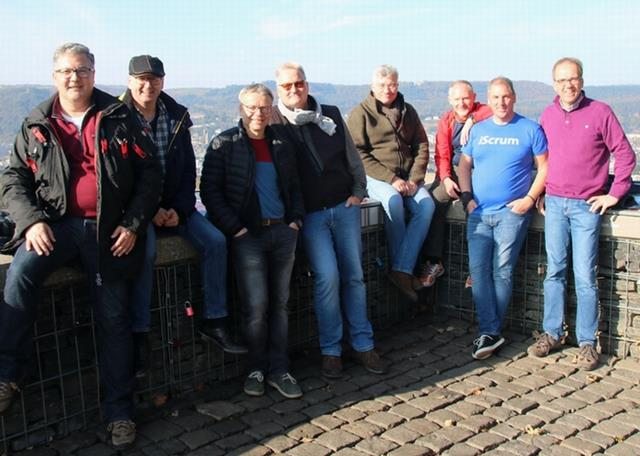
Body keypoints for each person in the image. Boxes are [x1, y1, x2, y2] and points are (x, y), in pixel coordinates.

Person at [0, 43, 161, 449]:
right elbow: (13, 179)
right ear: (55, 76)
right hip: (55, 227)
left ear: (94, 73)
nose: (75, 77)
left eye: (83, 70)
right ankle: (8, 375)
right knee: (19, 275)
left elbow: (150, 174)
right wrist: (31, 221)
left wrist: (133, 224)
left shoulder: (119, 116)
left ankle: (119, 412)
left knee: (113, 318)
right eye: (67, 71)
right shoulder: (37, 121)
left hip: (108, 232)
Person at [122, 55, 246, 376]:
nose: (148, 85)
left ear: (162, 81)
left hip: (176, 206)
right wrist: (147, 213)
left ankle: (215, 320)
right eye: (141, 79)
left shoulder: (176, 116)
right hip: (138, 211)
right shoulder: (117, 119)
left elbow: (188, 169)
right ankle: (139, 334)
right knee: (145, 251)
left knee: (215, 242)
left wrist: (178, 209)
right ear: (130, 81)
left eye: (154, 79)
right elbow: (118, 177)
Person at [272, 62, 387, 379]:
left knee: (355, 277)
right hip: (310, 215)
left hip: (343, 205)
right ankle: (331, 350)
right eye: (287, 86)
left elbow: (352, 156)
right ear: (278, 89)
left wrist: (358, 191)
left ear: (307, 84)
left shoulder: (331, 114)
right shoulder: (275, 122)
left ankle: (363, 344)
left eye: (298, 83)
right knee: (327, 278)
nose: (294, 90)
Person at [527, 58, 636, 370]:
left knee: (585, 276)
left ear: (582, 81)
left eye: (572, 79)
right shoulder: (548, 114)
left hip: (586, 206)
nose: (568, 85)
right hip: (555, 203)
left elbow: (625, 154)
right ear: (554, 84)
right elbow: (543, 160)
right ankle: (552, 333)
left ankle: (587, 343)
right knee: (554, 271)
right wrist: (541, 191)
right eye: (562, 80)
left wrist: (615, 194)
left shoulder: (600, 112)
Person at [200, 83, 305, 399]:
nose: (258, 113)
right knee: (256, 306)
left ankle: (280, 369)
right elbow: (210, 191)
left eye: (264, 107)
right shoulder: (224, 144)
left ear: (271, 109)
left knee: (281, 305)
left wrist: (295, 220)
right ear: (241, 109)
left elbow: (295, 186)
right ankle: (256, 369)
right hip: (248, 236)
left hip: (283, 232)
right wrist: (236, 229)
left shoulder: (281, 143)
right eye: (252, 107)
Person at [458, 76, 548, 360]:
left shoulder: (530, 129)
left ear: (514, 97)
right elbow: (464, 164)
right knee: (478, 271)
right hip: (479, 212)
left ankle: (488, 331)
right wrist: (466, 197)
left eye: (506, 96)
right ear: (488, 99)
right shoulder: (479, 130)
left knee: (502, 271)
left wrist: (529, 199)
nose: (501, 102)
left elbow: (544, 167)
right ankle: (491, 332)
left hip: (512, 213)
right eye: (496, 97)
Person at [347, 64, 435, 302]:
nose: (388, 89)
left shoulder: (408, 111)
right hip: (375, 176)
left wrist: (415, 179)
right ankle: (405, 272)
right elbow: (357, 154)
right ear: (373, 86)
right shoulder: (360, 113)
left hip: (408, 177)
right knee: (393, 200)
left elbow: (421, 145)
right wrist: (392, 179)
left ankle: (400, 270)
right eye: (383, 85)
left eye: (393, 84)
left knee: (427, 206)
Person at [421, 81, 492, 287]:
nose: (462, 103)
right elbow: (442, 153)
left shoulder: (483, 114)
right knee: (434, 202)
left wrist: (472, 119)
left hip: (479, 171)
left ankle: (476, 269)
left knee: (474, 209)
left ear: (474, 97)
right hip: (454, 170)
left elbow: (493, 111)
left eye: (466, 98)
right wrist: (445, 179)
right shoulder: (447, 121)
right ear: (450, 100)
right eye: (457, 99)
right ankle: (434, 261)